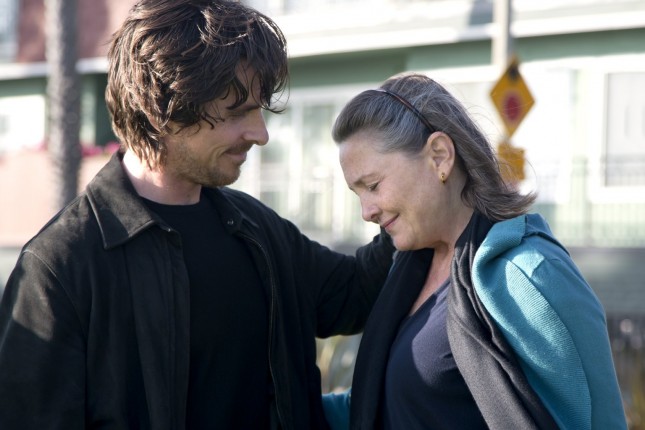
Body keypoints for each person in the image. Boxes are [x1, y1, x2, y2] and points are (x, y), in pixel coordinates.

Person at [0, 1, 394, 429]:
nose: (260, 134)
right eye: (237, 112)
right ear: (163, 111)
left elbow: (358, 293)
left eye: (259, 109)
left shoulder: (257, 229)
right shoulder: (59, 268)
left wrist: (413, 192)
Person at [322, 72, 627, 430]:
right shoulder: (408, 269)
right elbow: (387, 405)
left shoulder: (529, 273)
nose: (366, 211)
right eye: (357, 193)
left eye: (373, 186)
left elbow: (598, 421)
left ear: (439, 157)